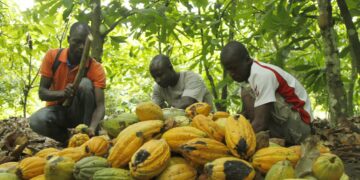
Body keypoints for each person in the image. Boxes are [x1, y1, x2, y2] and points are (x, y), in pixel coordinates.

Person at [220, 41, 312, 145]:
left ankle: (282, 140)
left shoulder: (262, 75)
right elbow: (245, 115)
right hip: (288, 125)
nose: (232, 74)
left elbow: (260, 123)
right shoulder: (248, 79)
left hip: (301, 128)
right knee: (247, 92)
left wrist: (234, 140)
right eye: (228, 70)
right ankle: (273, 139)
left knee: (250, 94)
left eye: (235, 68)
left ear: (247, 60)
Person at [29, 22, 106, 144]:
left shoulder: (95, 68)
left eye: (85, 43)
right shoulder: (52, 56)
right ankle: (68, 139)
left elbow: (100, 105)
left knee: (85, 84)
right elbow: (42, 93)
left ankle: (85, 136)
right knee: (36, 121)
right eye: (76, 41)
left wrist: (92, 127)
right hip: (59, 111)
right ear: (69, 39)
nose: (81, 47)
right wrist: (63, 94)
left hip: (82, 114)